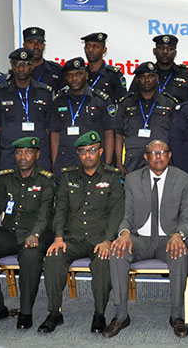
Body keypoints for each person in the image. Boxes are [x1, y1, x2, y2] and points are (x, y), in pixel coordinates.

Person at [38, 131, 125, 334]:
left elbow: (117, 212)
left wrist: (108, 240)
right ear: (78, 154)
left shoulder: (112, 177)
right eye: (83, 151)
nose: (88, 155)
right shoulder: (68, 177)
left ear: (100, 152)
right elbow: (60, 210)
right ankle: (54, 312)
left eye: (92, 150)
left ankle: (99, 313)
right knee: (53, 256)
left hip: (99, 238)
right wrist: (58, 237)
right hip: (72, 238)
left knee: (103, 261)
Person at [107, 140, 188, 338]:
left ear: (169, 155)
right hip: (140, 237)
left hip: (168, 239)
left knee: (180, 253)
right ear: (146, 157)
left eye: (162, 152)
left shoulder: (185, 180)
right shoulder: (132, 180)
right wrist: (124, 233)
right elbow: (127, 215)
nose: (158, 156)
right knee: (118, 251)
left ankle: (177, 315)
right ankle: (121, 315)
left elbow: (187, 217)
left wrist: (178, 235)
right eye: (153, 153)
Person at [0, 136, 55, 330]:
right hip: (9, 231)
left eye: (28, 152)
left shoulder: (46, 180)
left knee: (30, 255)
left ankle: (25, 311)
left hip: (37, 233)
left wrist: (35, 234)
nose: (23, 157)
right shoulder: (6, 179)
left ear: (37, 155)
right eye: (19, 152)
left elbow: (45, 213)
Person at [0, 48, 54, 171]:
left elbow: (49, 126)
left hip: (39, 155)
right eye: (17, 64)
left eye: (26, 64)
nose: (21, 68)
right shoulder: (0, 93)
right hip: (10, 155)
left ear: (33, 65)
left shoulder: (45, 93)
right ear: (12, 66)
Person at [50, 57, 115, 173]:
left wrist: (108, 164)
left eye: (78, 74)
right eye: (69, 75)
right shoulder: (59, 100)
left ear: (86, 75)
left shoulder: (100, 100)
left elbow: (109, 133)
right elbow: (55, 133)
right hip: (66, 162)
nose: (74, 79)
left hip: (94, 162)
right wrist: (55, 163)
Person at [111, 61, 175, 173]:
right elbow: (118, 134)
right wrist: (119, 163)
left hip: (161, 161)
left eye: (150, 76)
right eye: (142, 77)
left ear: (157, 78)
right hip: (132, 162)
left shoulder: (169, 103)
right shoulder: (126, 103)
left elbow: (175, 136)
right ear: (137, 80)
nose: (146, 80)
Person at [81, 32, 128, 101]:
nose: (90, 50)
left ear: (104, 50)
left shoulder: (113, 74)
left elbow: (123, 102)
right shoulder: (80, 74)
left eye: (95, 47)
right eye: (88, 46)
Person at [152, 34, 188, 104]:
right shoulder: (145, 75)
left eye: (170, 49)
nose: (165, 52)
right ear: (154, 51)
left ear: (175, 53)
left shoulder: (187, 75)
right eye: (161, 48)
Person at [22, 26, 64, 91]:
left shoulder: (56, 71)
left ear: (44, 46)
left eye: (40, 42)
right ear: (24, 45)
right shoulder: (18, 72)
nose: (36, 46)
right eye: (31, 42)